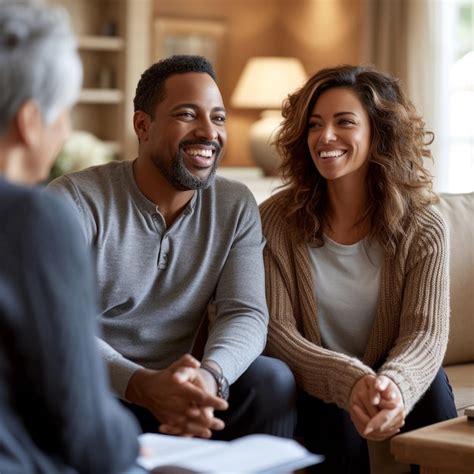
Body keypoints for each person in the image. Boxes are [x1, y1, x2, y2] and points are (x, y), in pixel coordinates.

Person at [48, 54, 296, 440]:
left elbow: (244, 312)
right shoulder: (75, 200)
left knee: (272, 381)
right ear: (142, 126)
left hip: (187, 390)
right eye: (187, 114)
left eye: (217, 117)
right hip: (95, 387)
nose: (208, 132)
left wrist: (209, 376)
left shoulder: (235, 204)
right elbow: (55, 326)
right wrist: (143, 385)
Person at [259, 64, 458, 473]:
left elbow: (426, 331)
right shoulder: (276, 220)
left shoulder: (424, 224)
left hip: (391, 373)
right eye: (315, 125)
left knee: (433, 384)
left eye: (344, 122)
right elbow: (276, 331)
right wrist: (350, 381)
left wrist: (394, 386)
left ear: (378, 132)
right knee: (336, 410)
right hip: (317, 382)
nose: (325, 137)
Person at [0, 2, 143, 473]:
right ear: (29, 121)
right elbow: (85, 432)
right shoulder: (35, 222)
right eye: (63, 112)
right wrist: (134, 440)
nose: (66, 130)